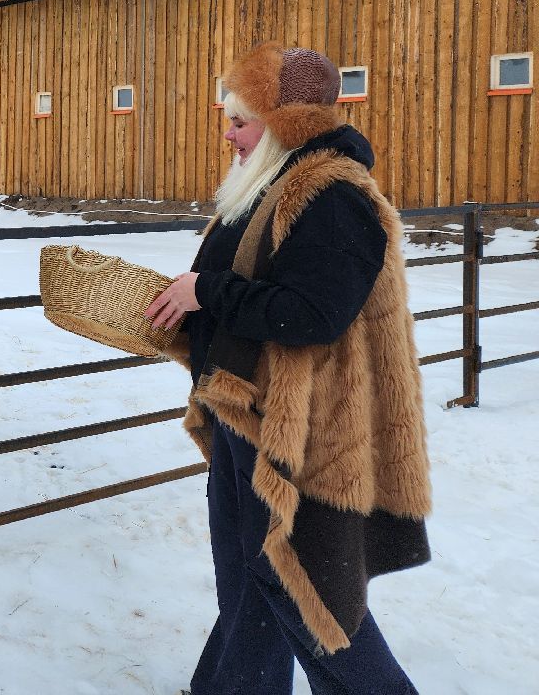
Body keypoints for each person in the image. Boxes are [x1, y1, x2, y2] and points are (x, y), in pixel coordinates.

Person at [144, 43, 430, 695]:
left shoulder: (332, 198)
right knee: (250, 579)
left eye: (242, 120)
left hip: (302, 436)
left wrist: (206, 295)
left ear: (287, 125)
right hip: (247, 413)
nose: (229, 132)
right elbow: (241, 283)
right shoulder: (268, 186)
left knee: (309, 590)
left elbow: (312, 315)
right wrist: (187, 307)